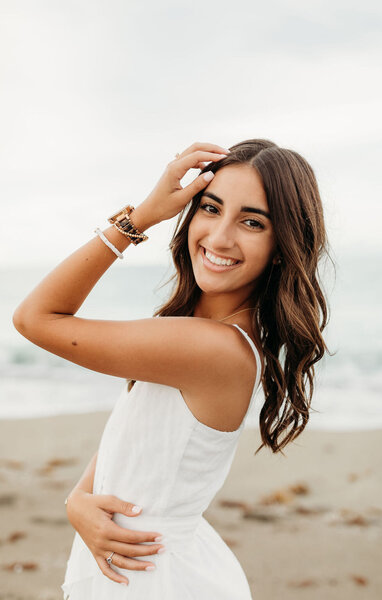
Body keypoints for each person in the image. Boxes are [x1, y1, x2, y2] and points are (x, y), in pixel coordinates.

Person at [12, 139, 333, 599]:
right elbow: (141, 440)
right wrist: (78, 499)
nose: (220, 237)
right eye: (210, 208)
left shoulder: (215, 348)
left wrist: (139, 218)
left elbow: (34, 318)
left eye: (251, 222)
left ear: (282, 246)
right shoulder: (193, 332)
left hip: (155, 578)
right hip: (144, 561)